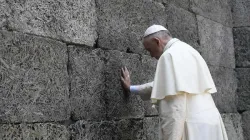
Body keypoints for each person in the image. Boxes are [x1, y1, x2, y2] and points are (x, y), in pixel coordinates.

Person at [120, 25, 228, 140]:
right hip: (211, 122)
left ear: (157, 41)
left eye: (149, 50)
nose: (151, 55)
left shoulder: (168, 56)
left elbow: (174, 107)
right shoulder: (189, 50)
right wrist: (131, 88)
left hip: (191, 127)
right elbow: (164, 85)